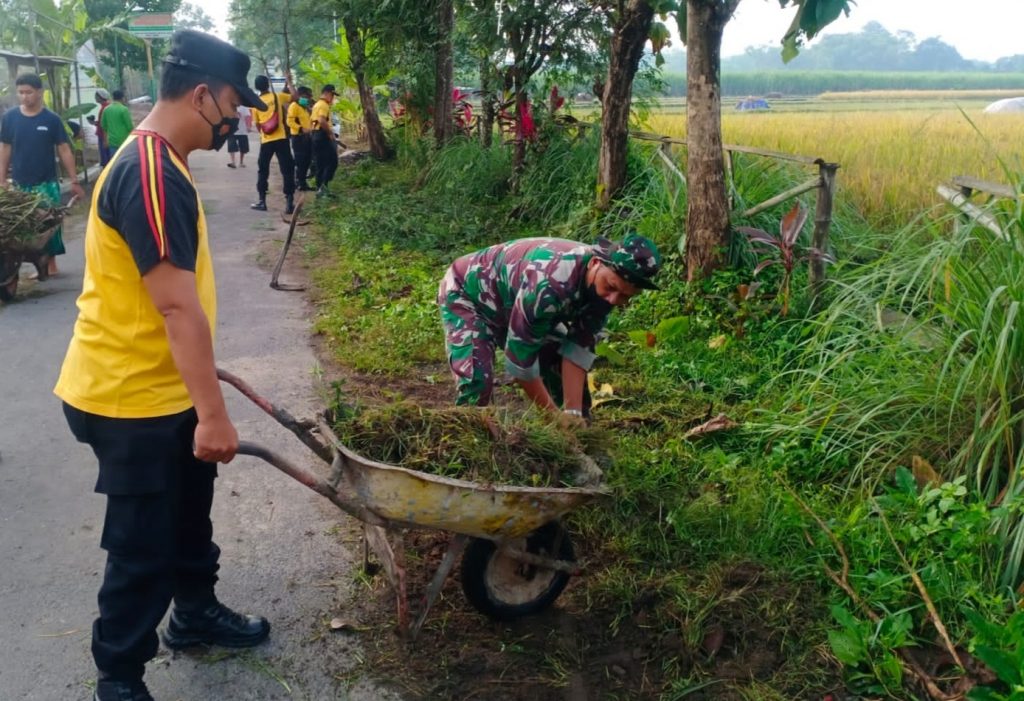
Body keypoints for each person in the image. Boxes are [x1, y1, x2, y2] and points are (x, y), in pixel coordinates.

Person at [53, 29, 268, 701]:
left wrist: (199, 400)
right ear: (202, 95)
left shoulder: (163, 161)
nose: (235, 120)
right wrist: (215, 415)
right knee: (141, 546)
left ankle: (195, 611)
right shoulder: (149, 172)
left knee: (189, 512)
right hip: (129, 399)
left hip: (164, 388)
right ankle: (118, 679)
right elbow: (175, 306)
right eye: (233, 105)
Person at [437, 233, 661, 416]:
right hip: (469, 295)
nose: (613, 300)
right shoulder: (551, 281)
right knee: (477, 385)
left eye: (625, 296)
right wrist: (552, 415)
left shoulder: (605, 290)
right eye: (611, 287)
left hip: (518, 304)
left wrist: (572, 414)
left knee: (557, 368)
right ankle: (468, 448)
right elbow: (519, 359)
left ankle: (570, 439)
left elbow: (577, 350)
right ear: (595, 263)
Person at [0, 73, 85, 276]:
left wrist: (74, 180)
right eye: (21, 92)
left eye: (29, 92)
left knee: (49, 224)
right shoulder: (10, 118)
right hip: (20, 184)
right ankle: (24, 266)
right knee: (23, 226)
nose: (24, 97)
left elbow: (64, 149)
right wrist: (1, 178)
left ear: (40, 92)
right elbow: (5, 148)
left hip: (46, 183)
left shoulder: (52, 119)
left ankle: (51, 263)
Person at [250, 74, 295, 214]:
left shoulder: (256, 103)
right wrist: (289, 82)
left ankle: (262, 201)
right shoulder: (278, 96)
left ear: (257, 87)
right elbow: (295, 97)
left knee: (263, 171)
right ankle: (289, 202)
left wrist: (264, 134)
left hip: (266, 141)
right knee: (287, 170)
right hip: (281, 139)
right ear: (268, 85)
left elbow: (258, 125)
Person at [310, 84, 339, 198]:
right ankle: (323, 187)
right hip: (322, 135)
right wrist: (330, 133)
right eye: (332, 95)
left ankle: (320, 189)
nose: (333, 98)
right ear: (326, 93)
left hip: (316, 135)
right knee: (332, 162)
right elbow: (322, 120)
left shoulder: (317, 104)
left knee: (321, 163)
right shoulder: (323, 105)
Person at [286, 86, 314, 191]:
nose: (309, 98)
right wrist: (301, 128)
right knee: (300, 161)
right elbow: (289, 121)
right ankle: (299, 182)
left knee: (306, 160)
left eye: (309, 96)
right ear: (300, 95)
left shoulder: (305, 107)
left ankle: (302, 182)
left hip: (307, 137)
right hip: (298, 137)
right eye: (307, 96)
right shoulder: (294, 106)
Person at [100, 89, 134, 154]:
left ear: (113, 98)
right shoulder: (124, 109)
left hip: (112, 141)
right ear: (122, 98)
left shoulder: (106, 109)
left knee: (114, 159)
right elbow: (130, 127)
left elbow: (104, 126)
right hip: (124, 141)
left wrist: (105, 140)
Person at [227, 103, 251, 168]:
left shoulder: (244, 107)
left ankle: (241, 162)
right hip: (232, 131)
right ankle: (233, 162)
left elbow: (248, 117)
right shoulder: (229, 106)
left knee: (243, 148)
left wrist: (248, 126)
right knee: (231, 147)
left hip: (242, 131)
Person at [95, 89, 112, 165]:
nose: (95, 97)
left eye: (96, 96)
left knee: (105, 155)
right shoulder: (105, 107)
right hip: (103, 134)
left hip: (103, 135)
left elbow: (104, 124)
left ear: (100, 97)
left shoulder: (104, 108)